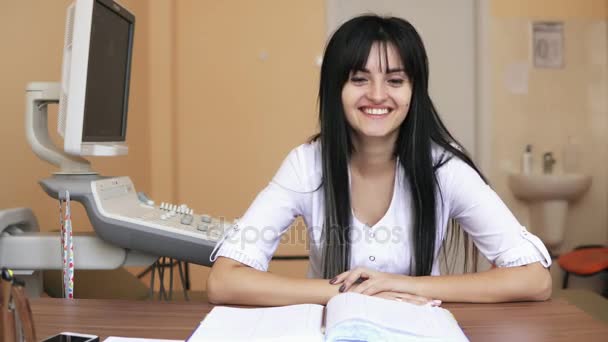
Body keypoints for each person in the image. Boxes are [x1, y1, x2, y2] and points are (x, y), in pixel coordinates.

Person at [207, 14, 552, 306]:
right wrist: (350, 293)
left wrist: (404, 285)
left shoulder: (443, 168)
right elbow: (224, 280)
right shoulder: (306, 164)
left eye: (395, 80)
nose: (376, 95)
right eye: (359, 79)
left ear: (414, 91)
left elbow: (535, 279)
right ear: (335, 89)